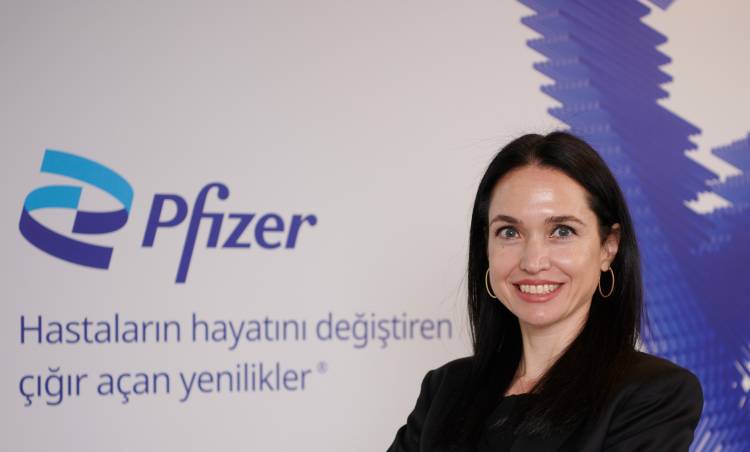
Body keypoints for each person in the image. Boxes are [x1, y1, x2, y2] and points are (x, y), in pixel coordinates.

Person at [387, 132, 703, 451]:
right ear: (486, 247)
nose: (533, 262)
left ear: (608, 247)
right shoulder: (444, 390)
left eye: (562, 231)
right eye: (509, 232)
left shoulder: (654, 394)